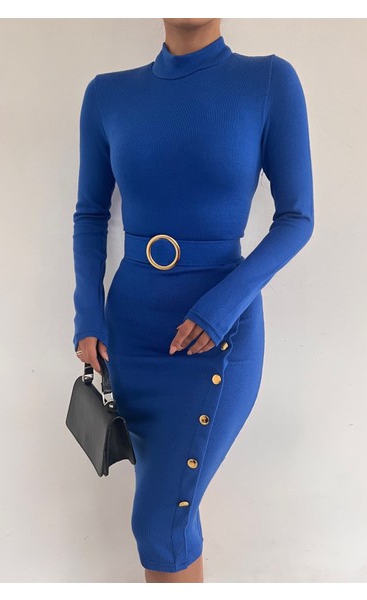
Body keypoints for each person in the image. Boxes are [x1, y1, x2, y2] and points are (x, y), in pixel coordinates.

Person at [72, 17, 314, 583]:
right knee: (171, 516)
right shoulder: (107, 94)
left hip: (216, 337)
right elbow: (90, 214)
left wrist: (220, 308)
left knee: (161, 524)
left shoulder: (269, 82)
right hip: (130, 333)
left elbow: (297, 218)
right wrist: (88, 316)